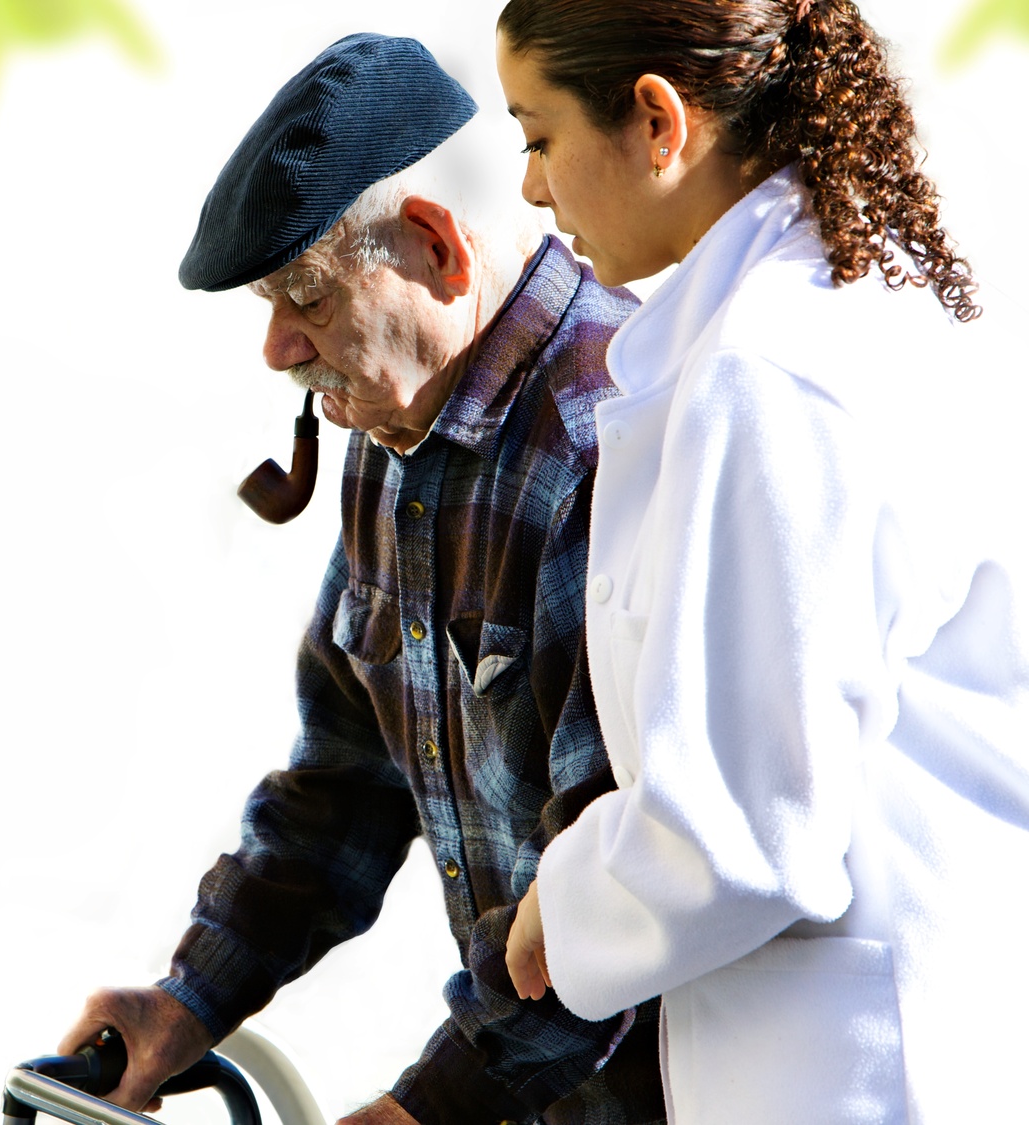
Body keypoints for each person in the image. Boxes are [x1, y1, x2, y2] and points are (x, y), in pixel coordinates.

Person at [59, 33, 666, 1125]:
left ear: (435, 247)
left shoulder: (605, 441)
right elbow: (340, 786)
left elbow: (623, 877)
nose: (277, 352)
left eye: (305, 295)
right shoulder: (387, 449)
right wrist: (188, 999)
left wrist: (417, 1111)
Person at [492, 3, 1029, 1123]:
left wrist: (565, 896)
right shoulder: (845, 305)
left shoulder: (767, 371)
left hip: (861, 1083)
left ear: (654, 121)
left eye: (537, 137)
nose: (532, 190)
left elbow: (741, 830)